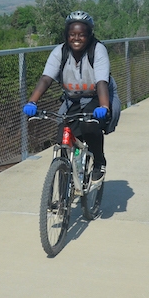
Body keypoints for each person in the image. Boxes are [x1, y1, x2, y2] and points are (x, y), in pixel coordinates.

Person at [21, 11, 117, 183]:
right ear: (66, 35)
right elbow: (46, 78)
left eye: (82, 35)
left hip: (96, 96)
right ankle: (64, 195)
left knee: (89, 126)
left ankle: (99, 162)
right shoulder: (60, 51)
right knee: (63, 138)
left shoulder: (98, 50)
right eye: (72, 34)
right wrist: (32, 101)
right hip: (71, 99)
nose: (76, 38)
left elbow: (102, 81)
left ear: (89, 36)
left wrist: (104, 107)